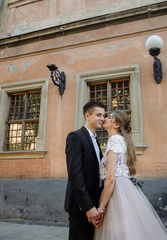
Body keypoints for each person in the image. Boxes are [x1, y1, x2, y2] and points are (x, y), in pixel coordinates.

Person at [94, 110, 167, 240]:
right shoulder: (120, 140)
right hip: (125, 188)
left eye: (109, 117)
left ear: (117, 125)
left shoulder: (114, 140)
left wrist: (101, 208)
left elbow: (110, 178)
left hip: (116, 190)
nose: (105, 119)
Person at [64, 101, 106, 240]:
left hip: (94, 202)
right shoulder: (75, 137)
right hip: (81, 206)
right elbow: (75, 175)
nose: (102, 118)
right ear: (87, 116)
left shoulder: (95, 139)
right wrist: (88, 207)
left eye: (104, 115)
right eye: (98, 115)